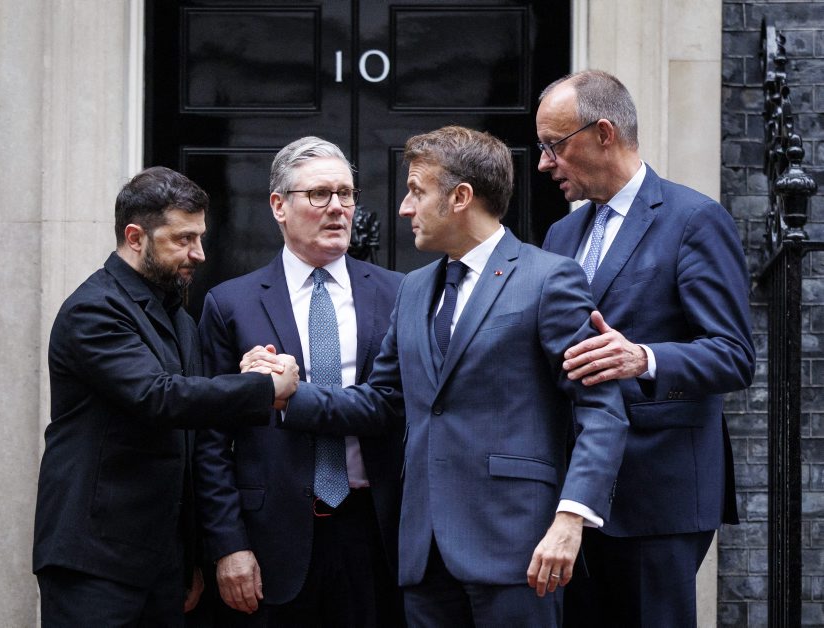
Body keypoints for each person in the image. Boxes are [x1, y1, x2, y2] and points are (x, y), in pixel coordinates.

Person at [249, 126, 629, 627]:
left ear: (460, 197)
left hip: (520, 547)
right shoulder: (414, 289)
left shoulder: (548, 279)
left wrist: (571, 517)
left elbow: (601, 410)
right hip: (423, 554)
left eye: (416, 191)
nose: (404, 208)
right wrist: (287, 394)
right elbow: (381, 401)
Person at [32, 166, 299, 627]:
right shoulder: (94, 309)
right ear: (135, 237)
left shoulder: (177, 316)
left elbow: (190, 425)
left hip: (159, 562)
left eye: (199, 237)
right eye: (183, 239)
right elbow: (158, 397)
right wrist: (263, 388)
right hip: (93, 561)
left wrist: (249, 371)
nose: (199, 253)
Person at [537, 70, 756, 627]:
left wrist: (645, 358)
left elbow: (733, 354)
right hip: (573, 495)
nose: (544, 163)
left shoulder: (694, 219)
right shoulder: (561, 235)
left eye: (554, 145)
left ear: (603, 133)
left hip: (658, 494)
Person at [195, 137, 405, 627]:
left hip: (376, 533)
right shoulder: (231, 304)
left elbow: (399, 406)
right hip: (271, 538)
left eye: (345, 194)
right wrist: (228, 545)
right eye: (319, 194)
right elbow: (209, 440)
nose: (337, 208)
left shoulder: (399, 294)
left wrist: (290, 396)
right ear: (278, 206)